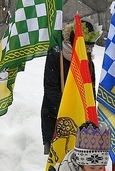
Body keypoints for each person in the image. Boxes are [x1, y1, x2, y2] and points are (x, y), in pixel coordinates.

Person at [42, 21, 100, 154]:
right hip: (57, 116)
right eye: (86, 47)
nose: (88, 51)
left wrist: (89, 114)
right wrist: (67, 110)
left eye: (90, 48)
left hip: (81, 121)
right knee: (59, 158)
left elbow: (91, 91)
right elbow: (50, 88)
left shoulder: (88, 62)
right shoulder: (57, 56)